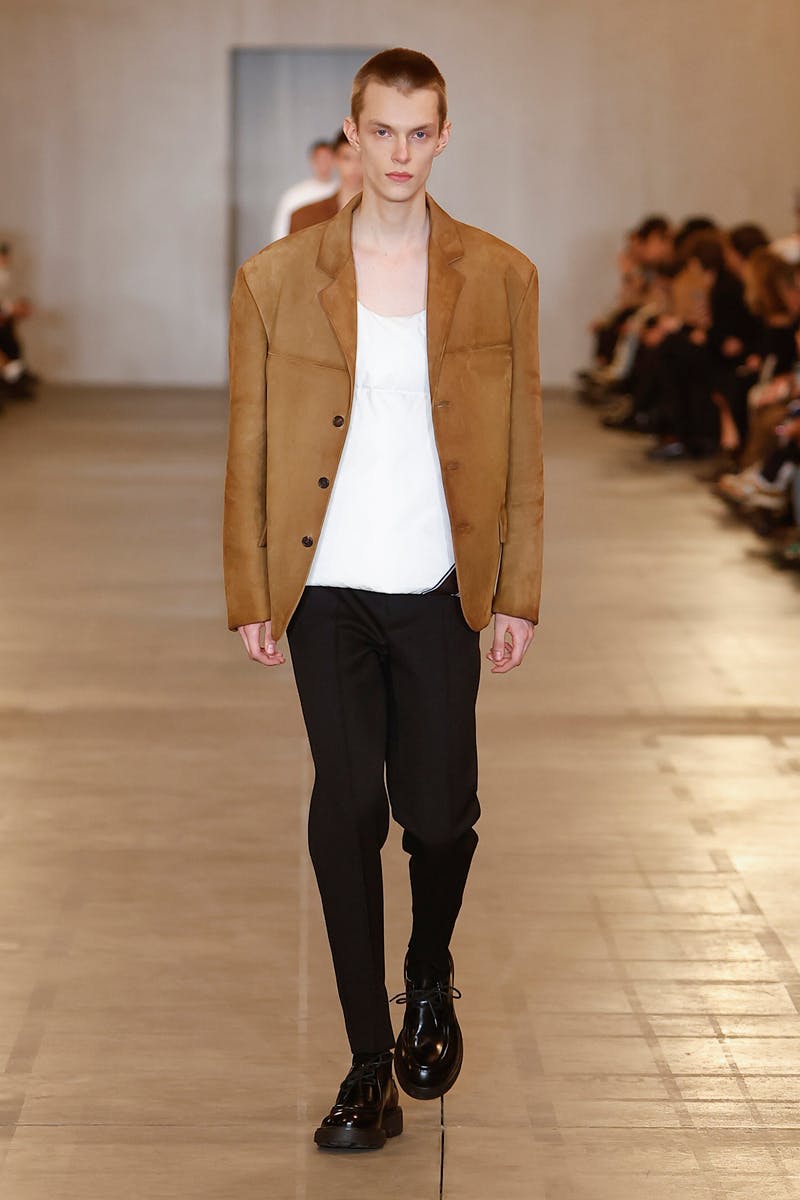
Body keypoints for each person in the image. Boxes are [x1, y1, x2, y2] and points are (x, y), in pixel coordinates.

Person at [223, 46, 543, 1152]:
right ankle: (368, 1065)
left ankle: (428, 967)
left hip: (442, 585)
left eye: (419, 132)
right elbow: (250, 444)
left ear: (442, 137)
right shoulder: (275, 278)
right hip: (326, 590)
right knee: (348, 808)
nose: (399, 153)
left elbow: (522, 446)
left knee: (440, 816)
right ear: (351, 135)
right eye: (382, 131)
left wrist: (518, 590)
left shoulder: (499, 275)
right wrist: (250, 586)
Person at [289, 130, 364, 233]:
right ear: (335, 160)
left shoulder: (383, 213)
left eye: (361, 158)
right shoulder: (304, 217)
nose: (354, 166)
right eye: (347, 158)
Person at [270, 138, 337, 243]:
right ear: (312, 161)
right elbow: (281, 231)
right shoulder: (295, 195)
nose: (324, 164)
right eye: (320, 159)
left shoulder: (342, 192)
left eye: (328, 159)